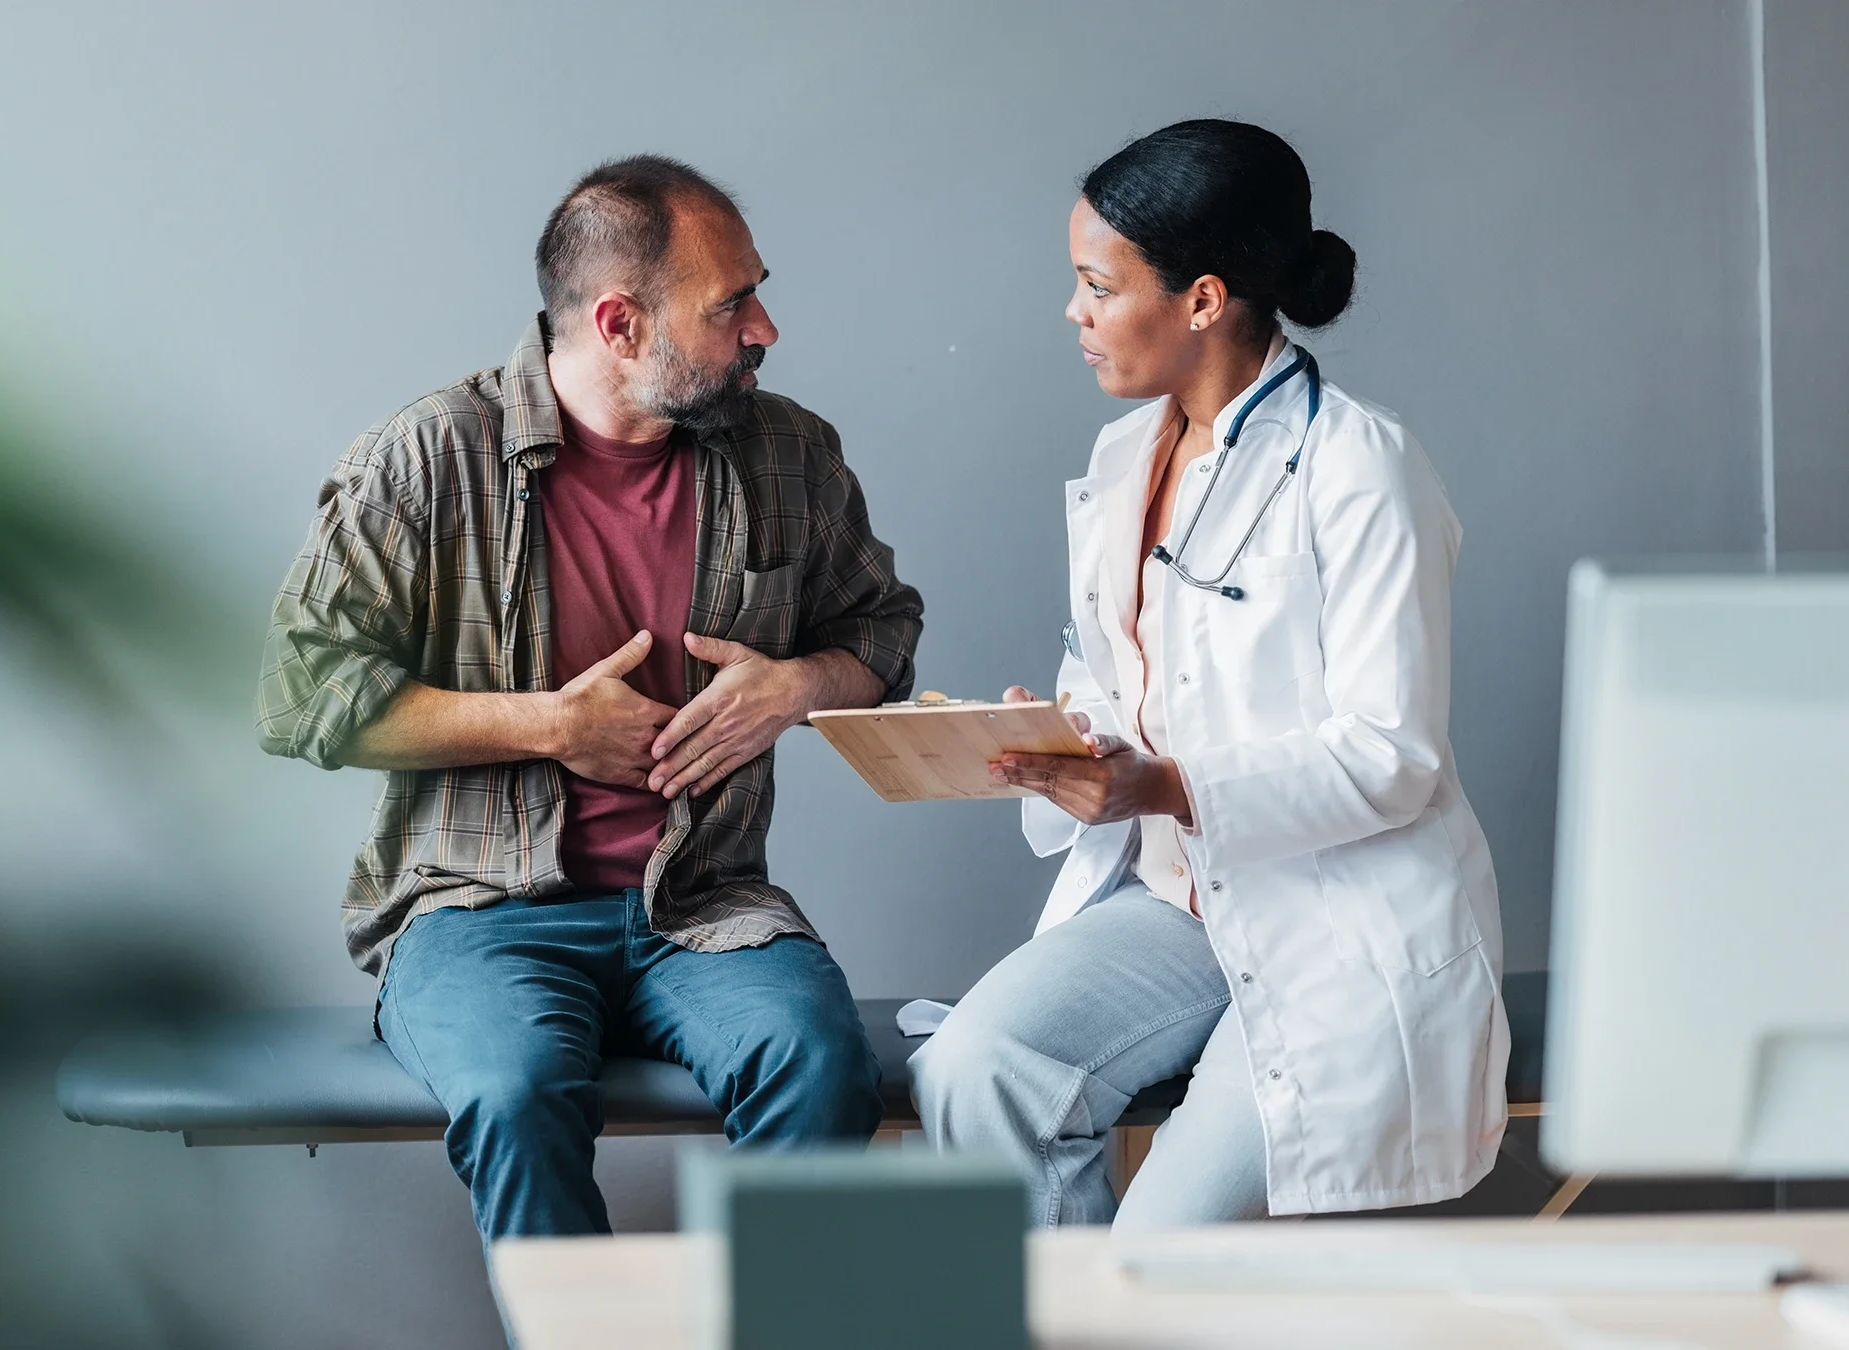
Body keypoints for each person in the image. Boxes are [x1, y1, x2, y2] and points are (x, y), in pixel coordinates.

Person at [259, 155, 925, 1241]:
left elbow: (882, 631)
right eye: (733, 305)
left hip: (703, 903)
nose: (767, 327)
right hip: (478, 911)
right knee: (518, 1099)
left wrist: (797, 686)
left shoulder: (789, 453)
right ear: (620, 324)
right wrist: (550, 726)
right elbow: (298, 698)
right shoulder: (429, 458)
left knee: (822, 1071)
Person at [910, 120, 1507, 1227]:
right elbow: (1120, 674)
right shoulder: (1121, 456)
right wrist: (1065, 735)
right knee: (971, 1070)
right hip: (1176, 902)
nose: (1074, 313)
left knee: (1161, 1245)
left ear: (1202, 300)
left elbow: (1395, 756)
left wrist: (1168, 784)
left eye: (1098, 284)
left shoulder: (1360, 466)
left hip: (1335, 914)